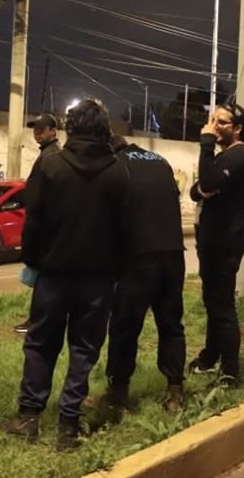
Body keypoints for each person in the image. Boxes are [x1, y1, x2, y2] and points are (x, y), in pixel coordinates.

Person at [0, 99, 130, 450]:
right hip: (99, 281)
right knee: (84, 349)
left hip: (53, 276)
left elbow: (34, 220)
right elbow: (124, 230)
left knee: (41, 345)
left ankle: (29, 418)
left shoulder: (51, 165)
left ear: (69, 128)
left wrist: (33, 262)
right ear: (104, 129)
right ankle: (68, 426)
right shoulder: (118, 171)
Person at [99, 136, 186, 414]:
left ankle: (117, 394)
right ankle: (175, 391)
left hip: (138, 259)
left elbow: (112, 218)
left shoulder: (117, 166)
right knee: (171, 325)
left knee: (125, 328)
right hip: (173, 255)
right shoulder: (160, 162)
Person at [188, 103, 244, 387]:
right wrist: (205, 186)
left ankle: (230, 372)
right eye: (213, 120)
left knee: (223, 306)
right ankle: (209, 356)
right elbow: (196, 190)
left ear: (238, 129)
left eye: (223, 123)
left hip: (225, 242)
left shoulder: (239, 156)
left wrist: (205, 144)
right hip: (212, 240)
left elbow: (208, 181)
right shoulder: (224, 156)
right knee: (212, 302)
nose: (214, 126)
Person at [13, 113, 62, 335]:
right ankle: (40, 319)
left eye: (42, 128)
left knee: (44, 281)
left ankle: (38, 321)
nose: (37, 132)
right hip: (44, 228)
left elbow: (42, 195)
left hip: (44, 230)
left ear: (54, 131)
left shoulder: (52, 156)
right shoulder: (47, 154)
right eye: (35, 128)